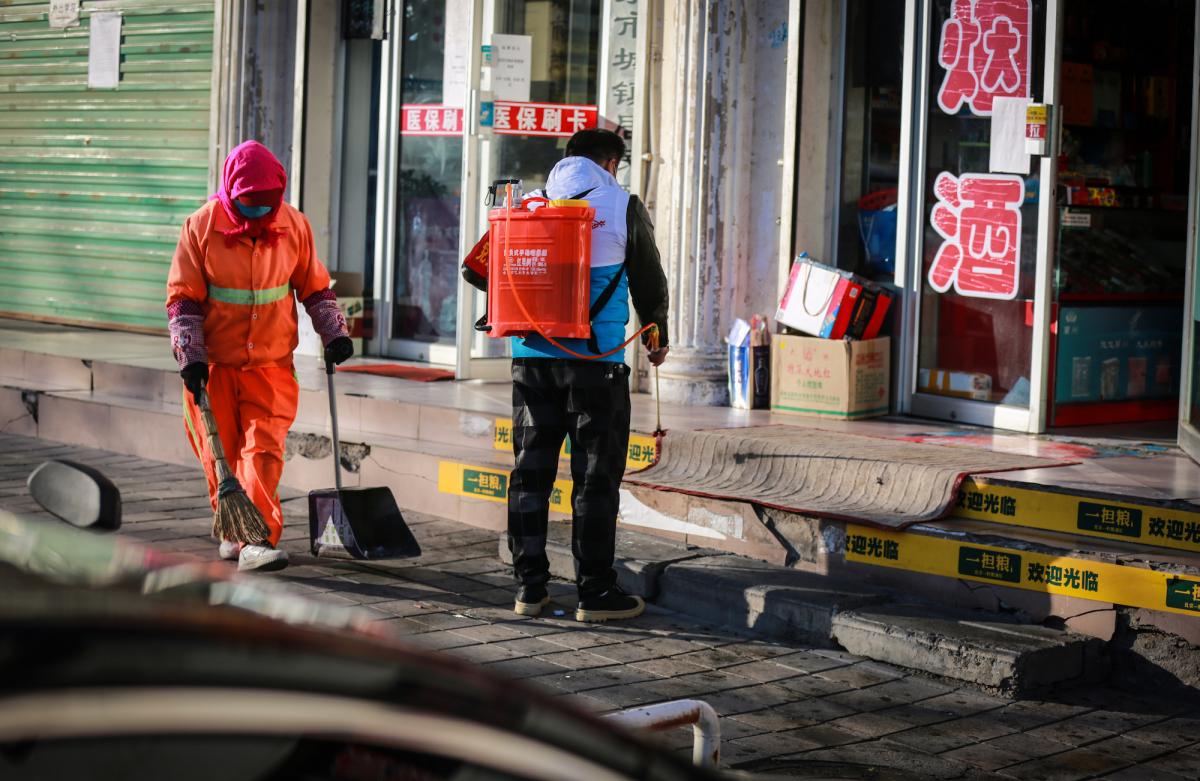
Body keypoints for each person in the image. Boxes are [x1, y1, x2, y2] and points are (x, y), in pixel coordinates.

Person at [165, 140, 354, 572]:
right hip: (212, 367)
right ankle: (233, 528)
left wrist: (334, 333)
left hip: (269, 366)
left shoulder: (294, 226)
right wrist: (189, 357)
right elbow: (183, 301)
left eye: (267, 208)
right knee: (222, 455)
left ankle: (257, 539)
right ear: (231, 194)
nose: (259, 217)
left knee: (263, 452)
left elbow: (316, 287)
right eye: (249, 208)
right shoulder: (200, 227)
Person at [506, 129, 670, 622]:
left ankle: (529, 590)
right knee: (595, 480)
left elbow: (480, 271)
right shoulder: (622, 204)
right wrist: (656, 336)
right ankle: (595, 593)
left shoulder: (527, 202)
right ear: (611, 163)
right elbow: (649, 280)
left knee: (529, 477)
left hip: (530, 357)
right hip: (596, 366)